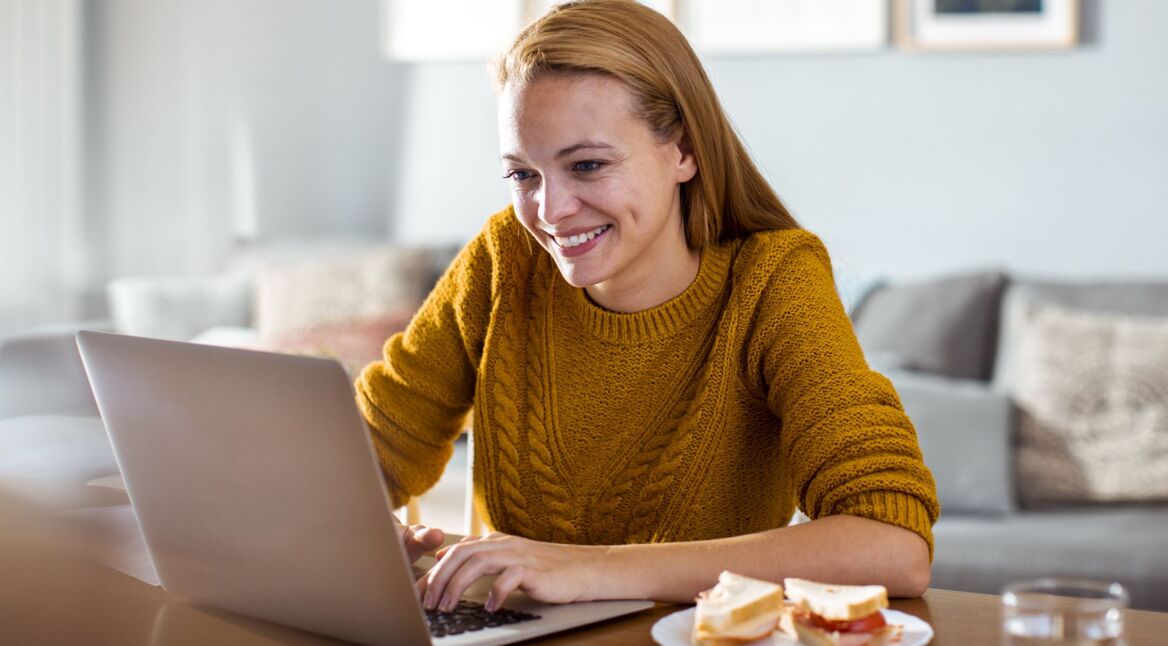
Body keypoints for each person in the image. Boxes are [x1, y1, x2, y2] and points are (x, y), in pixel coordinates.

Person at [355, 0, 938, 614]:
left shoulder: (773, 282)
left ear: (683, 151)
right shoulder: (504, 261)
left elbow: (893, 546)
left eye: (587, 165)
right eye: (523, 175)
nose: (550, 212)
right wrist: (351, 529)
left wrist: (593, 570)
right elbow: (365, 455)